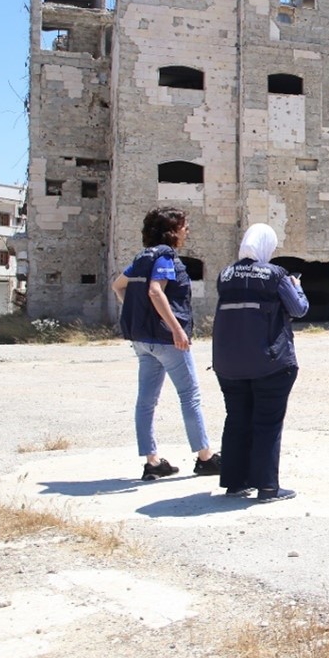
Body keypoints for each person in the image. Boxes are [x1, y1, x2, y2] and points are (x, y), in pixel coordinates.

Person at [111, 207, 220, 482]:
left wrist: (141, 317)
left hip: (142, 341)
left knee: (146, 400)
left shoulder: (141, 258)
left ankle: (152, 462)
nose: (187, 230)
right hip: (166, 341)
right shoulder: (165, 257)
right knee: (189, 396)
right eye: (184, 226)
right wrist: (175, 329)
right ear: (172, 231)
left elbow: (118, 286)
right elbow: (155, 290)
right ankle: (205, 458)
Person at [212, 223, 309, 503]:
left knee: (237, 419)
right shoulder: (274, 274)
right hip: (270, 362)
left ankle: (234, 482)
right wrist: (297, 287)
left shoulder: (226, 274)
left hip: (228, 363)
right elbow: (298, 309)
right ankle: (268, 487)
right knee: (267, 422)